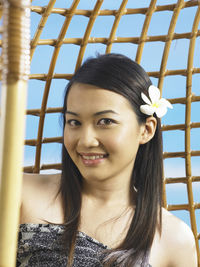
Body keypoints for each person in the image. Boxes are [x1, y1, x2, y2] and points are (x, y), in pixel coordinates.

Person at [17, 53, 197, 267]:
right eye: (74, 122)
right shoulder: (18, 193)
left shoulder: (175, 240)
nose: (85, 141)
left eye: (105, 121)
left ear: (146, 130)